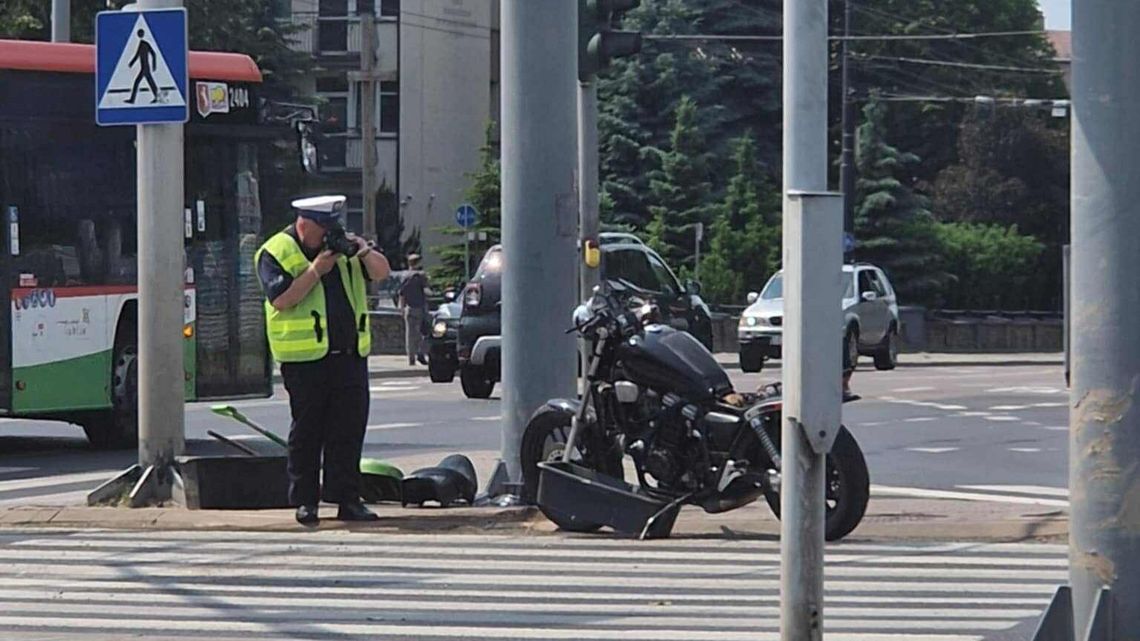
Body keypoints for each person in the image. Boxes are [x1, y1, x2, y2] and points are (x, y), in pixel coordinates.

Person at [255, 195, 391, 525]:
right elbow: (283, 299)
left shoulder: (343, 250)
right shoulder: (276, 251)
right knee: (307, 432)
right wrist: (317, 270)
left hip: (349, 355)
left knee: (348, 431)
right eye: (324, 228)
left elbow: (382, 273)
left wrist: (363, 250)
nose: (330, 235)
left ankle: (347, 499)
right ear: (304, 223)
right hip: (305, 361)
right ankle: (305, 502)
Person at [398, 254, 430, 366]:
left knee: (410, 335)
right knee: (425, 332)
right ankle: (421, 354)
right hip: (420, 308)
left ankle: (411, 358)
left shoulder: (404, 276)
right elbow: (427, 291)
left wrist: (401, 308)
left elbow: (401, 294)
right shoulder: (421, 276)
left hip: (408, 308)